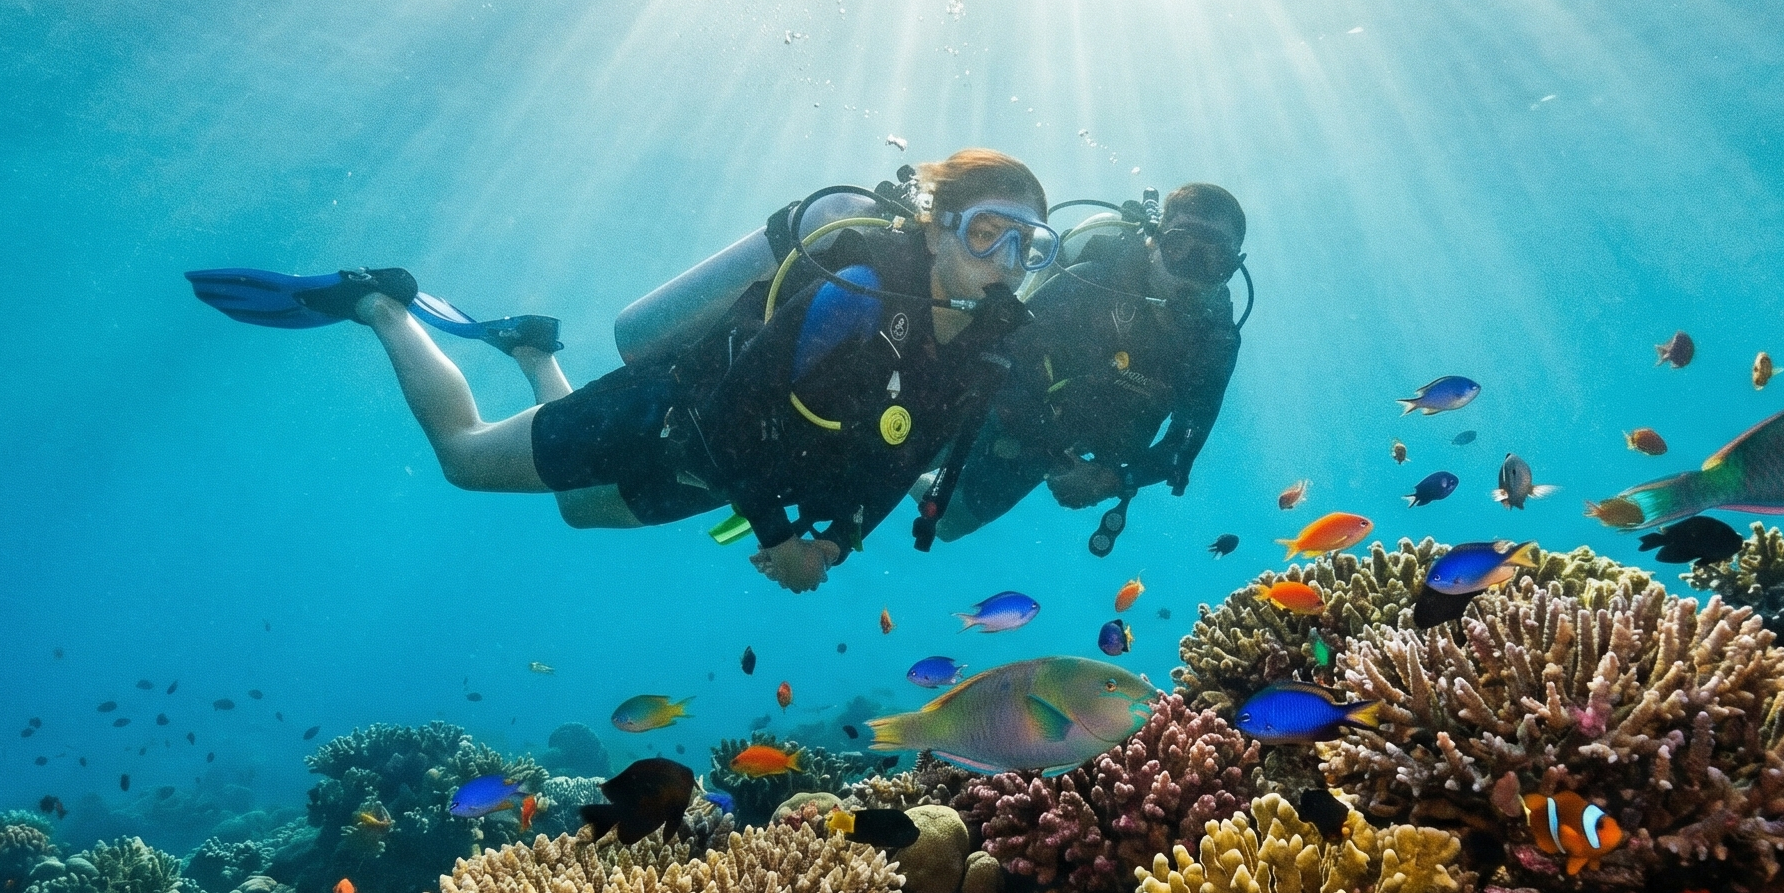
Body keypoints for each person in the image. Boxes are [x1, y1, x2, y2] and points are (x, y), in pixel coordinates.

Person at [186, 149, 1057, 594]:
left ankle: (534, 354)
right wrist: (777, 536)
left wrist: (838, 538)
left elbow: (908, 461)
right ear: (940, 225)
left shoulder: (984, 345)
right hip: (665, 418)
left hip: (723, 477)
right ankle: (381, 303)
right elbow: (742, 405)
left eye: (1030, 244)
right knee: (463, 458)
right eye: (990, 232)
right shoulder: (861, 283)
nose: (1009, 259)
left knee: (577, 514)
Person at [928, 182, 1246, 549]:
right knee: (913, 449)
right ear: (1153, 243)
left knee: (950, 524)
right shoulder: (1092, 281)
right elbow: (1000, 345)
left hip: (1066, 444)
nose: (1193, 270)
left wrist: (1115, 479)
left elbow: (1183, 445)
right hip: (1010, 404)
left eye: (1215, 258)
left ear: (1233, 267)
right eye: (1180, 246)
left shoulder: (1216, 344)